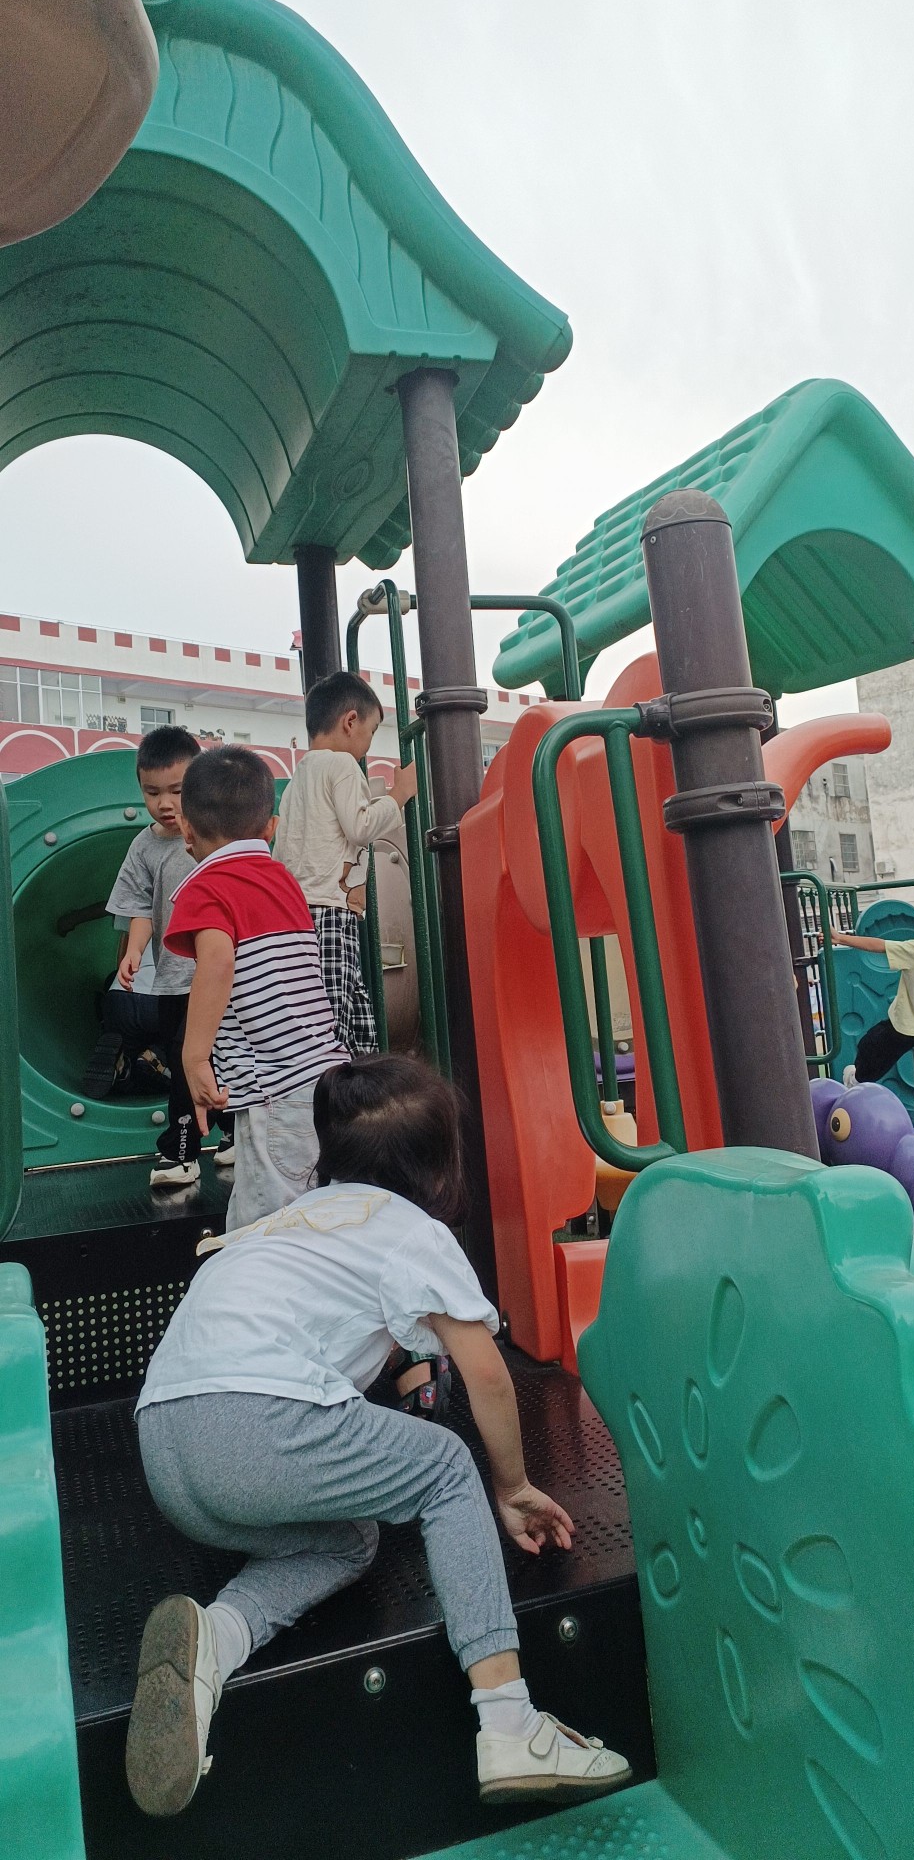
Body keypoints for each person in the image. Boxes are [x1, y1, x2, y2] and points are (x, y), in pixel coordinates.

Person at [125, 1054, 631, 1820]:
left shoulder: (293, 1218)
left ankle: (215, 1641)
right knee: (446, 1469)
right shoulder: (410, 1231)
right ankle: (511, 1725)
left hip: (166, 1446)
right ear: (438, 1165)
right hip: (259, 1421)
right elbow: (488, 1376)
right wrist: (512, 1486)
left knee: (348, 1539)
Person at [165, 743, 349, 1231]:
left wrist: (194, 1058)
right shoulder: (283, 880)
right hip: (326, 1080)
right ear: (271, 827)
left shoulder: (206, 885)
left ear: (185, 828)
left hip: (275, 1094)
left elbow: (218, 960)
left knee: (266, 1231)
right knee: (316, 1216)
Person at [83, 725, 207, 1189]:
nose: (165, 803)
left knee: (225, 1057)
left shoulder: (214, 834)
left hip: (221, 975)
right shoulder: (145, 846)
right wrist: (134, 951)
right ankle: (183, 1153)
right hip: (174, 979)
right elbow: (140, 908)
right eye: (152, 793)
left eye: (177, 790)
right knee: (183, 1062)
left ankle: (228, 1136)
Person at [273, 670, 417, 1054]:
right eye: (371, 732)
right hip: (329, 909)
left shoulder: (299, 777)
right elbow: (360, 826)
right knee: (335, 1014)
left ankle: (359, 1066)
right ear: (350, 721)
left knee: (343, 1000)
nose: (368, 745)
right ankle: (339, 1077)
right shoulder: (341, 765)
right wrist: (399, 795)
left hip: (297, 911)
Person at [830, 924, 914, 1090]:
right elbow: (879, 945)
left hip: (905, 1025)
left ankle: (858, 1079)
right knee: (872, 1049)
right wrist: (840, 938)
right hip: (904, 1025)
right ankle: (856, 1079)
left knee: (873, 1047)